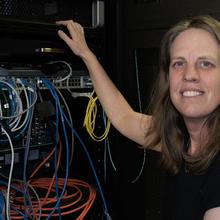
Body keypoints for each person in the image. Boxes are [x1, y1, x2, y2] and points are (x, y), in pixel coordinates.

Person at [56, 15, 220, 220]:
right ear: (168, 78)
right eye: (179, 63)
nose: (190, 74)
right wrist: (86, 54)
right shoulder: (183, 138)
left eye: (205, 63)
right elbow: (123, 116)